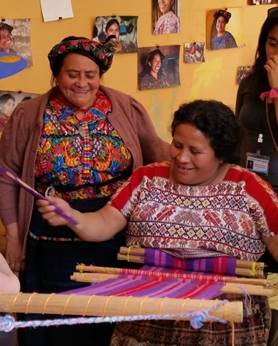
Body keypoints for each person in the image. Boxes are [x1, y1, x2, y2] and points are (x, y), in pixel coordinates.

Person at [38, 99, 278, 346]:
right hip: (148, 314)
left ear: (221, 154)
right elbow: (103, 222)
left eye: (195, 151)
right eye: (177, 145)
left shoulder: (249, 189)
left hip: (223, 318)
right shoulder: (147, 179)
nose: (182, 157)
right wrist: (71, 216)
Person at [0, 35, 169, 346]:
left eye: (90, 75)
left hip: (115, 229)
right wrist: (12, 236)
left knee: (108, 319)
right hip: (51, 239)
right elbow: (7, 177)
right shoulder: (29, 115)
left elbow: (159, 154)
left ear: (100, 75)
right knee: (54, 322)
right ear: (56, 74)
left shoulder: (125, 107)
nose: (82, 83)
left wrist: (204, 160)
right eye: (72, 74)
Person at [236, 6, 278, 346]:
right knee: (253, 276)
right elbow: (237, 132)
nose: (277, 53)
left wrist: (277, 92)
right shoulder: (250, 82)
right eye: (273, 44)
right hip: (250, 189)